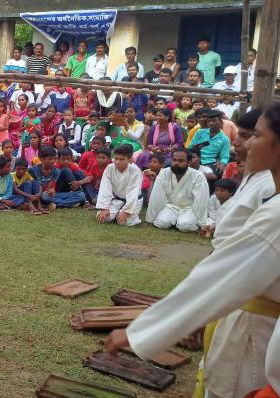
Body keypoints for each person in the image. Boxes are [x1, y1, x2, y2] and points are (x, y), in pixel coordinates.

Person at [106, 103, 280, 398]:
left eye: (256, 136)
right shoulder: (261, 185)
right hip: (238, 307)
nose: (245, 143)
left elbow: (226, 274)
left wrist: (142, 331)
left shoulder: (275, 213)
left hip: (256, 322)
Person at [144, 149, 210, 233]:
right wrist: (150, 219)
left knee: (185, 225)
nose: (176, 163)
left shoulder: (198, 176)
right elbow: (157, 197)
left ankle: (180, 222)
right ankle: (175, 221)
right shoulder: (164, 173)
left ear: (189, 162)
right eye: (174, 160)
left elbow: (201, 201)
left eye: (181, 161)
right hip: (170, 207)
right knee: (161, 223)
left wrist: (202, 223)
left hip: (189, 209)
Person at [95, 144, 143, 226]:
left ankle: (131, 215)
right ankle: (117, 213)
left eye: (122, 159)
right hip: (117, 199)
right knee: (104, 217)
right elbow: (105, 188)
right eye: (116, 158)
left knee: (124, 222)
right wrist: (104, 208)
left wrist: (126, 211)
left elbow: (133, 192)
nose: (117, 162)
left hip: (134, 200)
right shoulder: (110, 168)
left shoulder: (135, 170)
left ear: (130, 160)